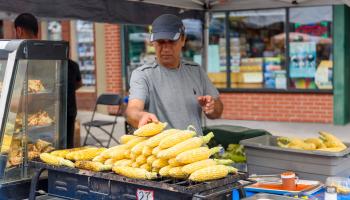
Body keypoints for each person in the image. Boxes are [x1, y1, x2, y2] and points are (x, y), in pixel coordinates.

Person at [126, 14, 223, 134]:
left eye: (171, 42)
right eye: (161, 42)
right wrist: (141, 117)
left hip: (196, 148)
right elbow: (132, 110)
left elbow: (218, 111)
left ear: (183, 40)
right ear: (153, 43)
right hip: (161, 151)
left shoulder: (196, 71)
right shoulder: (143, 74)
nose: (166, 48)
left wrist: (212, 107)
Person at [14, 13, 82, 148]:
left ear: (19, 30)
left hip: (45, 116)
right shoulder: (52, 56)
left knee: (50, 149)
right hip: (63, 110)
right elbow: (77, 84)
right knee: (64, 148)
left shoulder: (26, 56)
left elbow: (30, 96)